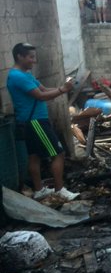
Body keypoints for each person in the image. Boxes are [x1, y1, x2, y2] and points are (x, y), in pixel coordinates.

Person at [7, 43, 79, 201]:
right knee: (58, 154)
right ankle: (60, 190)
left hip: (31, 121)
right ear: (20, 56)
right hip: (35, 122)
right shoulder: (17, 76)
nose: (34, 60)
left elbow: (45, 90)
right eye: (31, 57)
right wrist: (63, 90)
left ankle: (39, 190)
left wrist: (63, 87)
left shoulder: (26, 74)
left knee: (34, 157)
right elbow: (40, 96)